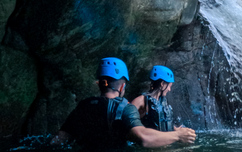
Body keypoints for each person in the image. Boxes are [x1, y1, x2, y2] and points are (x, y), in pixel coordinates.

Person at [50, 57, 196, 149]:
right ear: (122, 87)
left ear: (99, 83)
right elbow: (144, 138)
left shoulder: (84, 105)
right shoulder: (125, 107)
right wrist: (178, 136)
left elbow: (59, 139)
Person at [131, 65, 176, 131]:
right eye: (169, 86)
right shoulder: (142, 100)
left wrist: (177, 130)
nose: (169, 89)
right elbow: (127, 122)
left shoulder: (163, 101)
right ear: (162, 84)